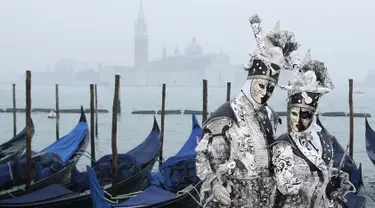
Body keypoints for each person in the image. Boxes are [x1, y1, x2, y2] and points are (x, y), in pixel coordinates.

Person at [195, 14, 300, 208]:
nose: (264, 93)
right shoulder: (224, 117)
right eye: (261, 85)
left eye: (270, 88)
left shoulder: (269, 115)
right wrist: (216, 185)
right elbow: (204, 158)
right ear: (251, 80)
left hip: (264, 199)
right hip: (233, 200)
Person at [271, 53, 357, 207]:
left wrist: (335, 180)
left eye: (305, 115)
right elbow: (285, 185)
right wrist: (324, 185)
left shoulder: (323, 139)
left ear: (313, 114)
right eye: (294, 113)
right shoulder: (283, 144)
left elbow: (325, 169)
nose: (297, 121)